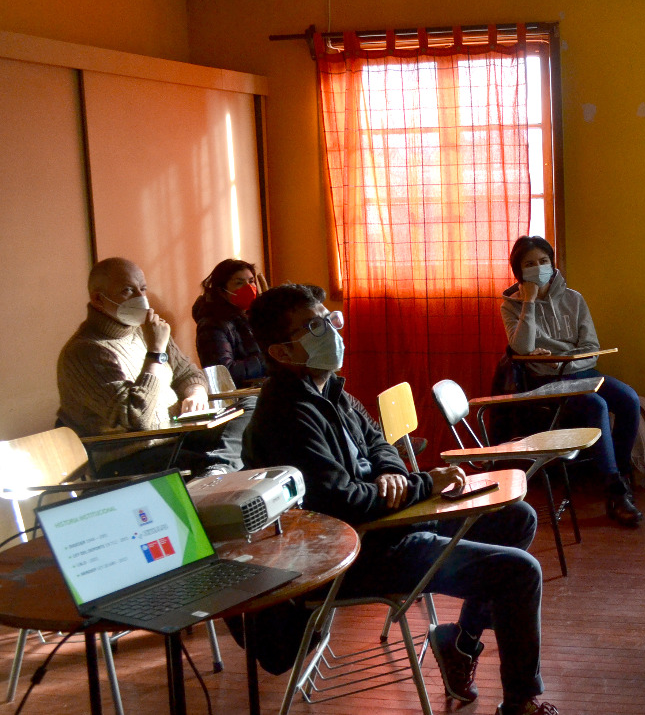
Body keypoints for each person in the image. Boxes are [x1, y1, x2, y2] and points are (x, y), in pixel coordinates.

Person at [244, 283, 559, 715]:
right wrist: (422, 486)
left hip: (390, 523)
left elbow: (379, 442)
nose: (331, 330)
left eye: (328, 319)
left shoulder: (329, 390)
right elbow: (342, 502)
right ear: (281, 352)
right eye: (314, 326)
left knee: (515, 516)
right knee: (519, 572)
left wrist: (394, 473)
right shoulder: (285, 415)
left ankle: (460, 645)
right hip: (356, 554)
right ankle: (521, 703)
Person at [57, 257, 246, 477]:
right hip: (131, 455)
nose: (141, 298)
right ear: (99, 299)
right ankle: (219, 469)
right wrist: (155, 352)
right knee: (229, 461)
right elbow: (138, 419)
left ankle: (219, 467)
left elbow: (188, 372)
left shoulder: (146, 330)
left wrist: (195, 394)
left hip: (179, 434)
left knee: (254, 408)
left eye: (143, 289)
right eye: (128, 291)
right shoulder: (85, 351)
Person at [500, 236, 642, 527]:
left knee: (629, 399)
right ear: (519, 272)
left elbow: (590, 346)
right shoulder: (511, 306)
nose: (538, 267)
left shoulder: (574, 299)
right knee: (595, 405)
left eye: (543, 261)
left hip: (582, 372)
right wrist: (529, 301)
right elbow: (523, 348)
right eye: (529, 264)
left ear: (553, 263)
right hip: (548, 382)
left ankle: (622, 473)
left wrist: (566, 360)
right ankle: (614, 492)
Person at [192, 258, 266, 387]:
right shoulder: (212, 325)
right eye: (239, 283)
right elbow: (223, 373)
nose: (248, 287)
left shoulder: (254, 316)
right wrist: (267, 359)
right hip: (241, 397)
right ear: (222, 291)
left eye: (251, 281)